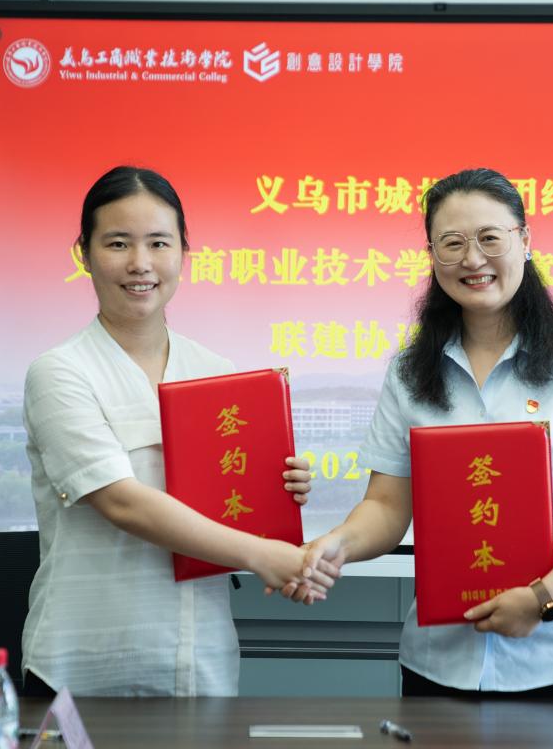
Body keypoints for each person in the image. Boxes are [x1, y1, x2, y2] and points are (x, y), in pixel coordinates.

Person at [289, 167, 553, 698]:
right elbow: (387, 507)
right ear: (432, 255)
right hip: (441, 662)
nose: (473, 259)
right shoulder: (410, 372)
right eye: (452, 243)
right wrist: (336, 544)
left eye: (490, 238)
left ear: (525, 241)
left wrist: (542, 597)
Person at [21, 165, 334, 697]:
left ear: (184, 253)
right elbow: (122, 503)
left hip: (199, 663)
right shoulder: (60, 372)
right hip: (84, 664)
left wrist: (278, 493)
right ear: (84, 254)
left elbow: (233, 510)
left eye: (159, 243)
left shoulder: (216, 373)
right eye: (118, 243)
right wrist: (265, 556)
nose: (140, 263)